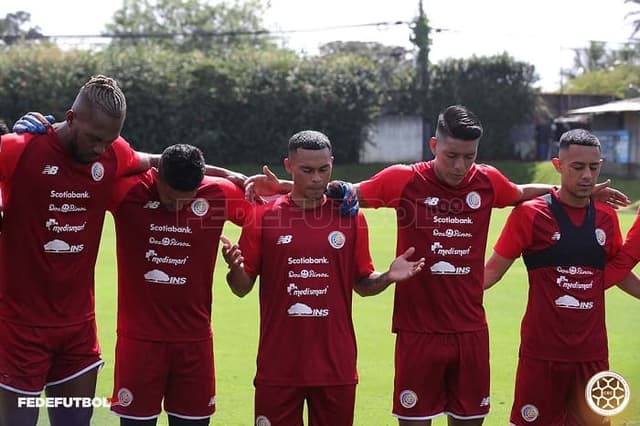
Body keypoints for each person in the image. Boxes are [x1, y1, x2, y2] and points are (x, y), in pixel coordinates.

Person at [243, 105, 629, 426]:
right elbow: (337, 190)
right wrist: (279, 187)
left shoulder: (488, 182)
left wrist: (577, 187)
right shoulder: (403, 180)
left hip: (470, 331)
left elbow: (521, 192)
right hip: (418, 332)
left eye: (470, 156)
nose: (461, 166)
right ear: (433, 146)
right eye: (451, 155)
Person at [0, 75, 242, 426]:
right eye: (94, 138)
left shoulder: (114, 154)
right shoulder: (20, 148)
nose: (101, 148)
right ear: (70, 118)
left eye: (109, 140)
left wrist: (233, 175)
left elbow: (160, 161)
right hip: (19, 331)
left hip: (78, 334)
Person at [221, 130, 426, 426]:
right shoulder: (263, 216)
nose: (317, 178)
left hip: (336, 367)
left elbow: (363, 284)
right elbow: (241, 288)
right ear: (289, 166)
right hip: (278, 367)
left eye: (323, 169)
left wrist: (388, 276)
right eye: (307, 170)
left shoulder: (350, 217)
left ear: (331, 163)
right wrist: (235, 268)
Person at [483, 129, 640, 425]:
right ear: (558, 165)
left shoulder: (607, 217)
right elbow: (490, 273)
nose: (586, 176)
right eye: (577, 167)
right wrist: (439, 291)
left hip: (593, 354)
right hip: (541, 354)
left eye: (593, 168)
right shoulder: (530, 215)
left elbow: (615, 273)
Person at [108, 144, 250, 426]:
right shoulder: (127, 191)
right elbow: (98, 162)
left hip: (194, 344)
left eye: (187, 200)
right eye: (170, 198)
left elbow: (269, 213)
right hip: (138, 344)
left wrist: (241, 262)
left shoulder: (219, 194)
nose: (178, 206)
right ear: (156, 177)